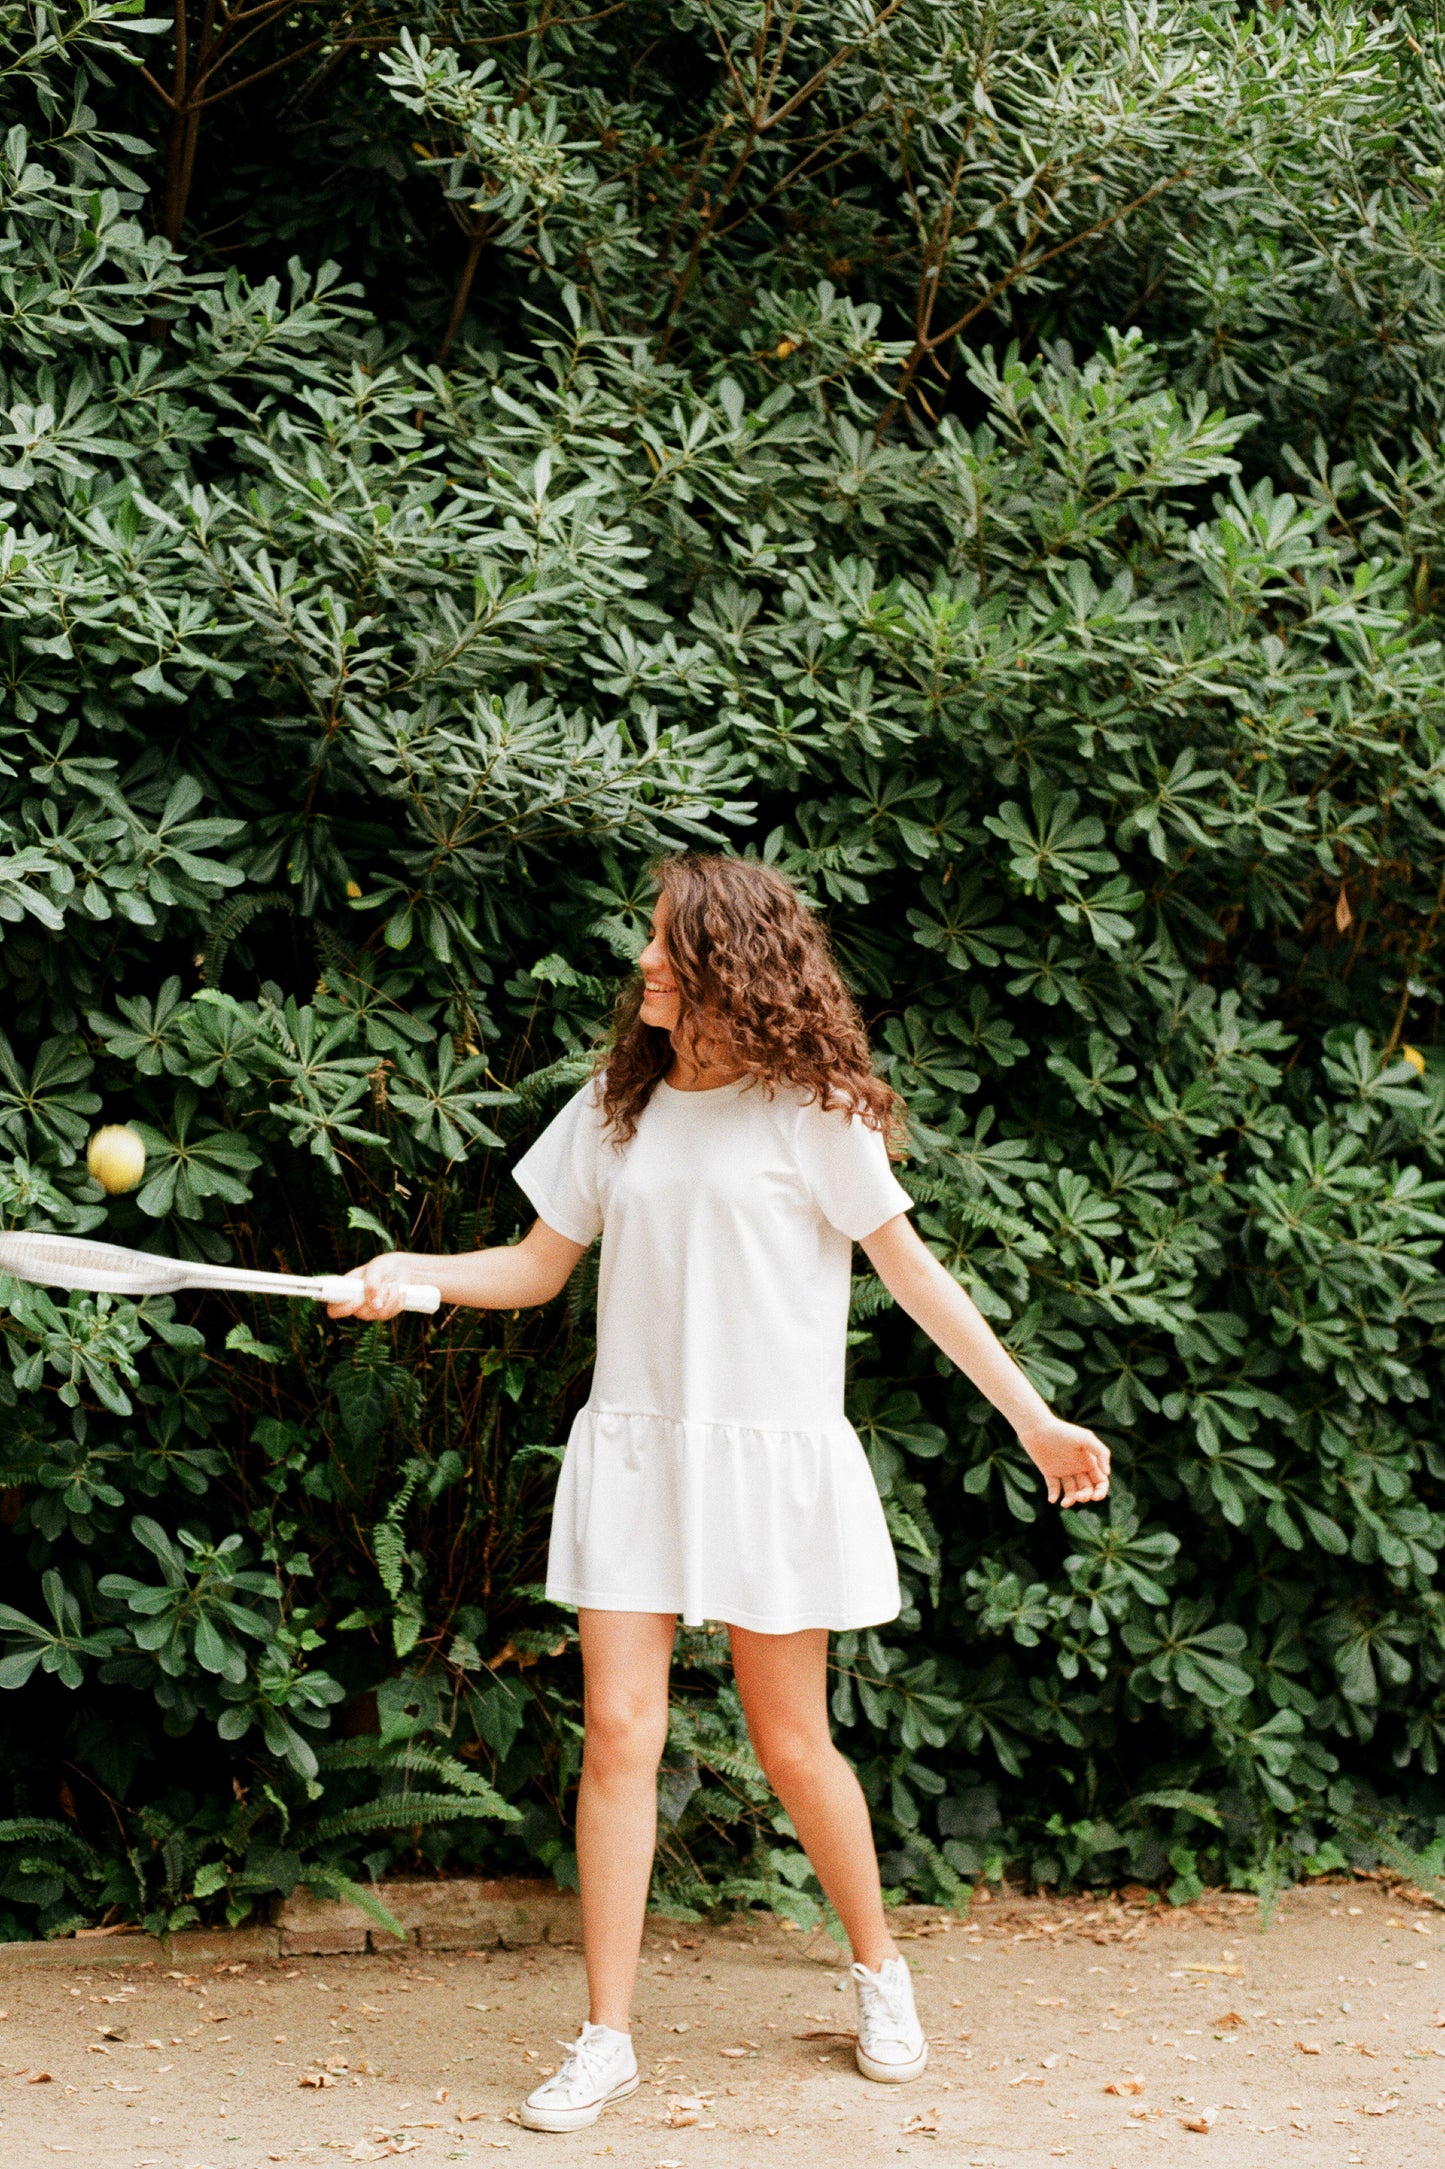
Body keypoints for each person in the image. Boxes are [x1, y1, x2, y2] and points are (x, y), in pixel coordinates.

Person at [330, 852, 1110, 2135]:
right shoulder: (614, 1108)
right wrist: (405, 1271)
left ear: (729, 962)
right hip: (636, 1455)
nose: (641, 962)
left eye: (662, 943)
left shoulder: (817, 1113)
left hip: (768, 1460)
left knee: (791, 1744)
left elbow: (912, 1277)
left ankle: (878, 1972)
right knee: (621, 1740)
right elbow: (532, 1269)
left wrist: (1030, 1419)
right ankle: (605, 2039)